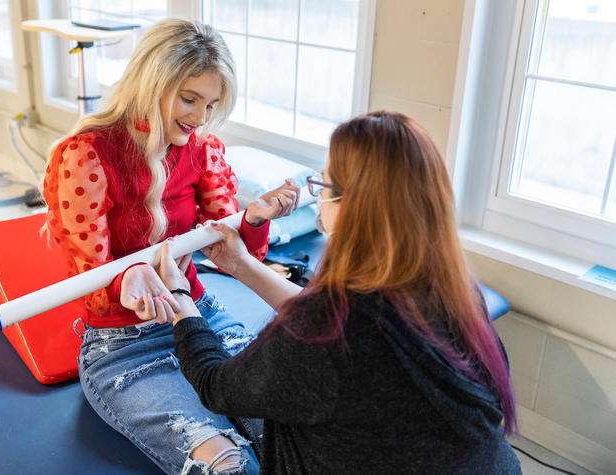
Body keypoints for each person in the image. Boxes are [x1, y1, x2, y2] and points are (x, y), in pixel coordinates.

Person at [154, 111, 522, 474]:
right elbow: (336, 325)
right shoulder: (455, 291)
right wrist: (240, 265)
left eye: (325, 187)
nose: (318, 197)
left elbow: (217, 386)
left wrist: (180, 296)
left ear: (353, 206)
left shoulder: (328, 333)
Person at [42, 18, 299, 475]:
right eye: (189, 99)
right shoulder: (86, 155)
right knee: (228, 464)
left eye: (212, 104)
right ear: (152, 82)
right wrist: (124, 280)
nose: (200, 117)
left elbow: (237, 251)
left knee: (293, 435)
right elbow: (89, 275)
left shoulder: (203, 148)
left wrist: (254, 220)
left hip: (201, 317)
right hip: (124, 343)